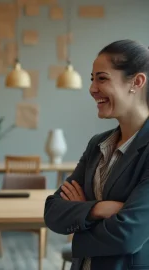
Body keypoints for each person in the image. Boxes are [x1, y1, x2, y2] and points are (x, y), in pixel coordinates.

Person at [44, 39, 149, 270]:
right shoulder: (97, 144)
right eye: (92, 79)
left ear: (137, 82)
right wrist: (98, 208)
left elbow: (128, 235)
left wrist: (80, 218)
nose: (92, 88)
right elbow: (52, 211)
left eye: (102, 78)